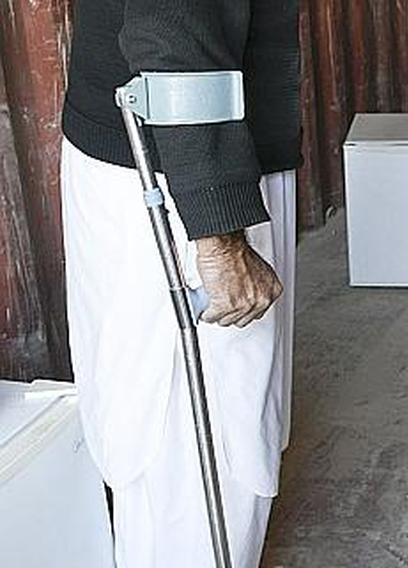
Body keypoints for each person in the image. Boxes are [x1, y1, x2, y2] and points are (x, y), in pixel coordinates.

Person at [60, 2, 300, 567]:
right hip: (181, 172)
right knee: (200, 439)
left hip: (176, 157)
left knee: (183, 430)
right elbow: (171, 32)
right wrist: (219, 233)